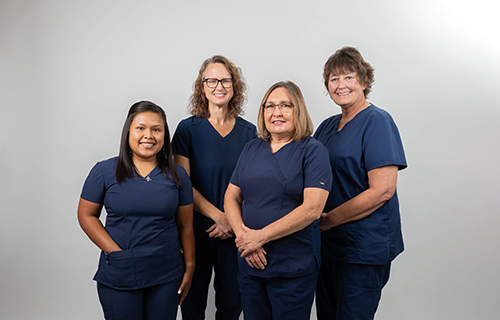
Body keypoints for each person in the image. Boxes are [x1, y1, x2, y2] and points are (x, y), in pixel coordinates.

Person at [224, 81, 332, 320]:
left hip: (292, 265)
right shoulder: (252, 148)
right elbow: (231, 196)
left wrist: (259, 237)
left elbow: (312, 209)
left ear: (298, 110)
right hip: (250, 264)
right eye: (269, 106)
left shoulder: (313, 151)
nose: (276, 112)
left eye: (285, 105)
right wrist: (244, 239)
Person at [77, 101, 195, 320]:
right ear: (128, 131)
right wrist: (115, 252)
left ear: (164, 134)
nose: (148, 135)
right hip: (121, 271)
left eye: (156, 129)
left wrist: (189, 265)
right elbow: (86, 215)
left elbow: (185, 226)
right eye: (140, 128)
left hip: (166, 274)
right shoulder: (104, 171)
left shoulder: (178, 175)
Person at [314, 46, 407, 320]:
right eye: (333, 79)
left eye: (348, 77)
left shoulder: (377, 121)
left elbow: (383, 191)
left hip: (363, 247)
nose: (340, 85)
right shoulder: (327, 126)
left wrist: (330, 219)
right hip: (329, 244)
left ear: (364, 82)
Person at [172, 55, 256, 320]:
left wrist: (231, 221)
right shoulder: (187, 130)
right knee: (192, 302)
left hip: (236, 232)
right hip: (195, 230)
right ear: (202, 86)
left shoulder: (250, 133)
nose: (219, 86)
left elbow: (254, 184)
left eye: (225, 80)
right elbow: (182, 184)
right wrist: (219, 216)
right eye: (212, 80)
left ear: (234, 85)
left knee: (232, 304)